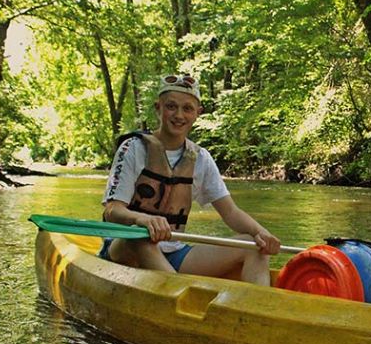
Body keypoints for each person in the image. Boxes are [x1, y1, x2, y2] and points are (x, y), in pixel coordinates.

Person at [99, 73, 280, 286]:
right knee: (141, 237)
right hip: (126, 248)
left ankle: (255, 312)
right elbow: (112, 211)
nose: (179, 115)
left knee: (252, 245)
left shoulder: (201, 158)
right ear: (158, 108)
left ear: (197, 113)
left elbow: (230, 212)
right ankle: (179, 298)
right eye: (171, 107)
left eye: (187, 109)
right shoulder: (133, 149)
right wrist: (142, 220)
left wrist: (262, 234)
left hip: (175, 253)